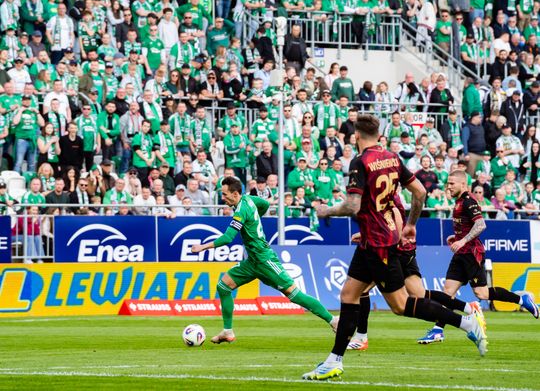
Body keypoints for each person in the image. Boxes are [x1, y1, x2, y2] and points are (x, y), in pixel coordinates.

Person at [302, 116, 488, 381]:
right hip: (375, 240)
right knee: (349, 295)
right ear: (378, 134)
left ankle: (466, 323)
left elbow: (353, 206)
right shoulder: (392, 158)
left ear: (357, 136)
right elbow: (420, 192)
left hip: (378, 244)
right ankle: (334, 361)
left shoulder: (360, 162)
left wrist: (326, 210)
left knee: (402, 305)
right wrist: (410, 224)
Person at [190, 176, 338, 344]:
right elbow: (265, 204)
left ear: (235, 194)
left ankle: (333, 320)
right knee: (223, 286)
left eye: (225, 194)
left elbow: (227, 238)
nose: (223, 198)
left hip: (264, 260)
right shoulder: (249, 199)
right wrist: (254, 219)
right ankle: (227, 331)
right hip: (252, 261)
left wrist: (202, 247)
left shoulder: (241, 211)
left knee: (294, 294)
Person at [347, 195, 482, 351]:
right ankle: (469, 309)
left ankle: (361, 337)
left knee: (366, 292)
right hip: (404, 250)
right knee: (419, 294)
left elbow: (394, 226)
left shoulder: (386, 196)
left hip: (394, 251)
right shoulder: (388, 194)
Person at [418, 171, 539, 344]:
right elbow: (466, 227)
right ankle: (438, 330)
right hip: (461, 254)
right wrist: (456, 238)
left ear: (463, 184)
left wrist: (463, 241)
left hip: (471, 254)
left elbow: (481, 224)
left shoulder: (469, 201)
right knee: (447, 292)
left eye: (452, 183)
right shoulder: (459, 201)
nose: (448, 186)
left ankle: (522, 299)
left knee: (481, 293)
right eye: (448, 183)